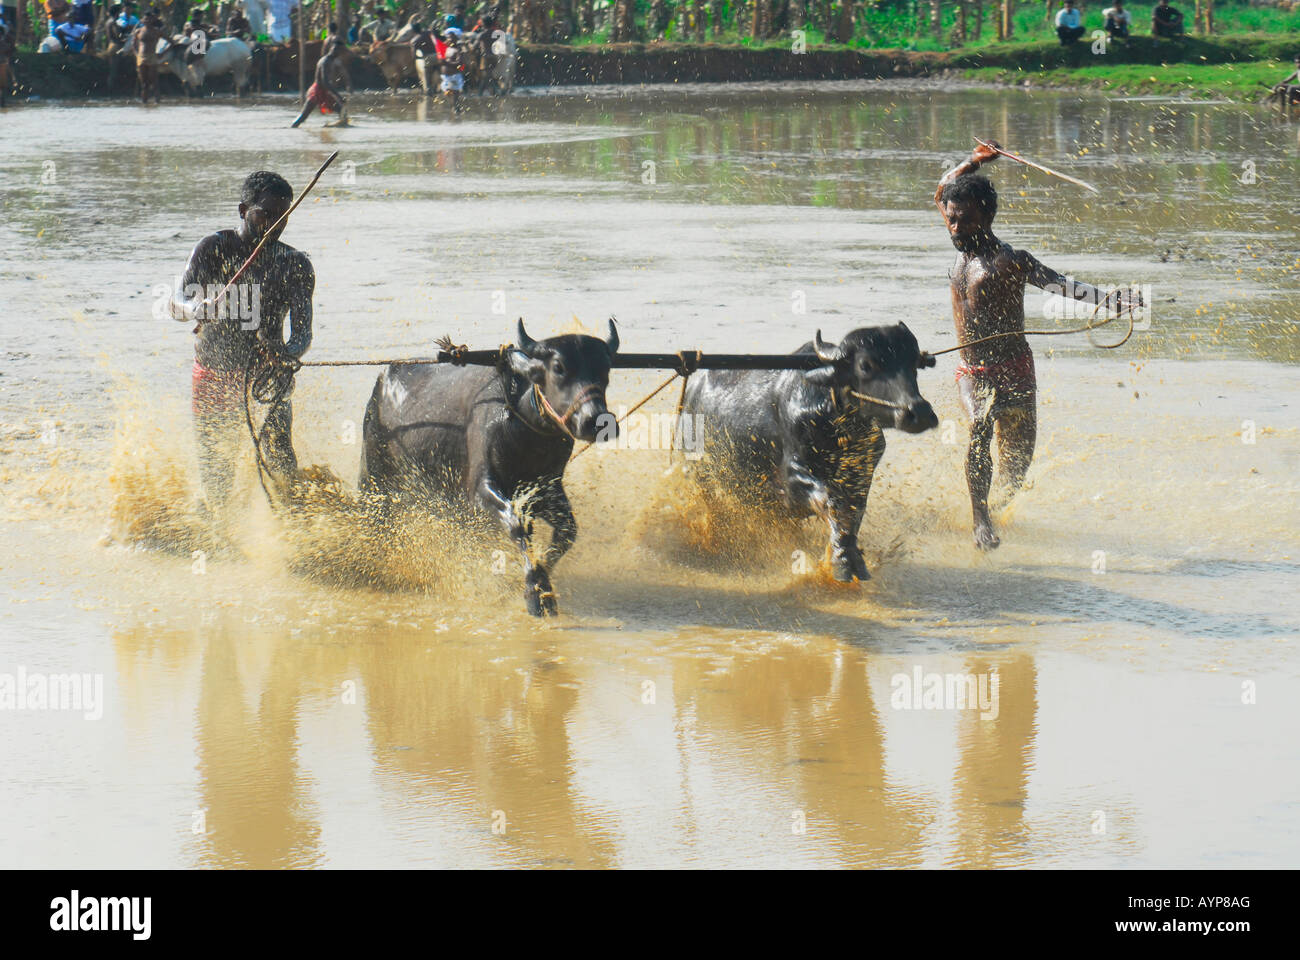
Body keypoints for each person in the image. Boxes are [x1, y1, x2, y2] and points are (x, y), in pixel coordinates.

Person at [934, 140, 1138, 551]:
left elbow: (1062, 285)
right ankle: (981, 522)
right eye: (952, 220)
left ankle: (1000, 508)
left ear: (987, 216)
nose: (954, 228)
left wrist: (1114, 302)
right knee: (977, 426)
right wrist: (973, 161)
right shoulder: (957, 239)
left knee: (1016, 464)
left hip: (1015, 370)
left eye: (964, 221)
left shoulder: (1011, 261)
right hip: (972, 371)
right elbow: (942, 190)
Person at [168, 171, 314, 523]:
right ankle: (217, 530)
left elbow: (303, 335)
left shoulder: (295, 264)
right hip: (215, 372)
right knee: (217, 469)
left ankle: (296, 533)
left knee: (280, 458)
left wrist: (286, 353)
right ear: (242, 210)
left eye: (282, 216)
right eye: (265, 214)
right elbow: (176, 304)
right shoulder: (213, 248)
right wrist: (197, 309)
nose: (274, 225)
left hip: (267, 376)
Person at [291, 38, 348, 127]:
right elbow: (325, 81)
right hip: (317, 91)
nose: (341, 53)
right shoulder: (325, 62)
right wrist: (338, 96)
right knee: (303, 116)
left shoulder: (330, 61)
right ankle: (291, 128)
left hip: (325, 91)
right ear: (335, 50)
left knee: (342, 113)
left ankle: (330, 128)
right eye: (340, 51)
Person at [133, 10, 162, 102]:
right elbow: (133, 44)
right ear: (142, 20)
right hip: (141, 58)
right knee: (144, 84)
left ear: (152, 20)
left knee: (154, 81)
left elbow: (170, 41)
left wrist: (162, 53)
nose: (147, 21)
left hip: (152, 57)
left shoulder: (156, 31)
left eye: (149, 19)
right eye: (145, 19)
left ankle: (157, 102)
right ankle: (144, 103)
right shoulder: (138, 31)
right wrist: (136, 54)